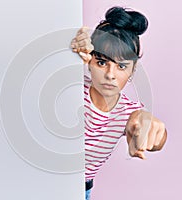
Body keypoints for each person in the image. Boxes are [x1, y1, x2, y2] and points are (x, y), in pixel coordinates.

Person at [71, 6, 167, 200]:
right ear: (89, 61)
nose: (110, 75)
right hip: (42, 180)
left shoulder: (128, 112)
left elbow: (148, 130)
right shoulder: (73, 87)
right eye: (101, 62)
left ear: (132, 71)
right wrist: (67, 51)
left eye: (121, 66)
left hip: (82, 192)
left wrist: (151, 129)